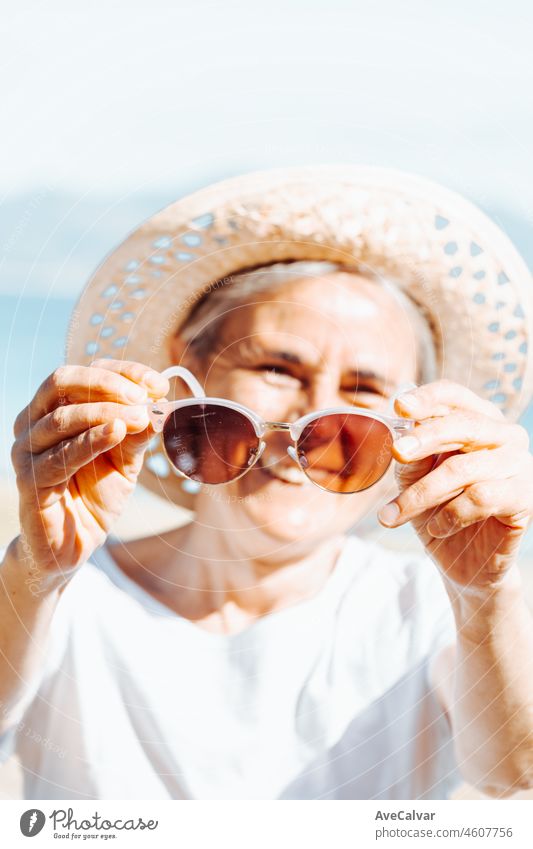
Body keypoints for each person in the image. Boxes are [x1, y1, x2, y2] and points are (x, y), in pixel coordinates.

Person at [1, 165, 533, 801]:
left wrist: (486, 598)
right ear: (187, 371)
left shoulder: (427, 610)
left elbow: (513, 775)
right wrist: (36, 572)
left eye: (363, 390)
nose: (314, 419)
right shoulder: (65, 602)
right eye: (278, 367)